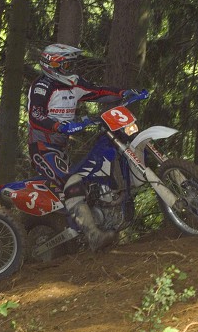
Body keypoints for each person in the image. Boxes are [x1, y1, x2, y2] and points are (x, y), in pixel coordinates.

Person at [27, 43, 137, 251]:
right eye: (67, 65)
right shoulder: (42, 86)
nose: (71, 69)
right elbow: (36, 115)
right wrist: (58, 125)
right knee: (72, 182)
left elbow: (99, 91)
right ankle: (94, 236)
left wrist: (124, 93)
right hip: (42, 148)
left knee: (89, 181)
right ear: (53, 65)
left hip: (61, 148)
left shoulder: (74, 83)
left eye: (72, 65)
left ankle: (97, 222)